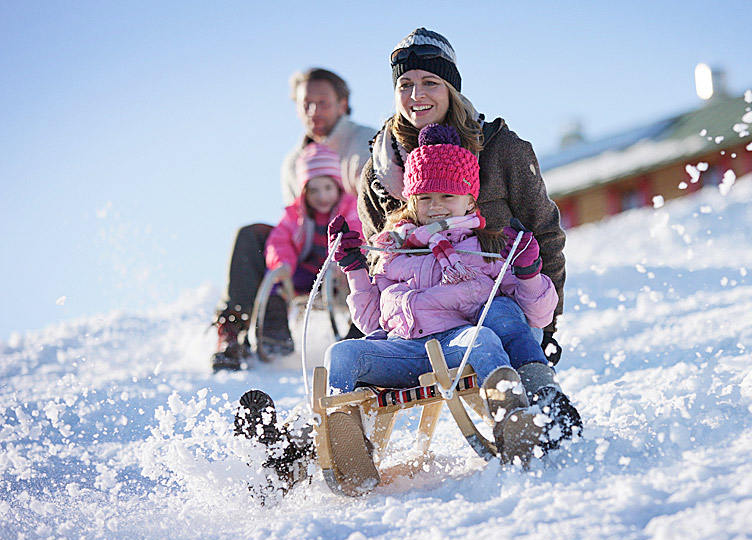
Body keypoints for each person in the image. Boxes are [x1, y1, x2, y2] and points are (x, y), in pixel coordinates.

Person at [235, 125, 577, 497]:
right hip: (401, 349)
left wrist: (529, 273)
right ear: (411, 200)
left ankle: (511, 417)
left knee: (485, 338)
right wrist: (355, 271)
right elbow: (369, 322)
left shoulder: (488, 247)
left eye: (449, 194)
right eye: (425, 196)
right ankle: (345, 440)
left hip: (453, 347)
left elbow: (537, 317)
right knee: (343, 352)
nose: (437, 205)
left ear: (470, 200)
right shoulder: (393, 251)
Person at [357, 28, 575, 427]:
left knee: (504, 315)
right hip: (420, 323)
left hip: (493, 306)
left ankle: (541, 406)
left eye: (429, 83)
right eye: (405, 84)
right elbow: (379, 266)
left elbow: (545, 235)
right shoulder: (379, 172)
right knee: (351, 355)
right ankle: (314, 439)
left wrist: (549, 320)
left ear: (451, 88)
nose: (416, 95)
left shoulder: (502, 150)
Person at [213, 68, 376, 371]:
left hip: (362, 246)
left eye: (323, 102)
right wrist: (282, 264)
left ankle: (364, 338)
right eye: (306, 104)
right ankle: (235, 332)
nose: (314, 111)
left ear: (342, 104)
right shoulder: (293, 162)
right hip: (311, 253)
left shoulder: (365, 142)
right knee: (251, 236)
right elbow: (295, 222)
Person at [257, 143, 362, 355]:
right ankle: (275, 332)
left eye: (327, 188)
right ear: (304, 191)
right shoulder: (295, 214)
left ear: (338, 187)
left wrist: (345, 263)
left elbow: (357, 232)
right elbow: (279, 240)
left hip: (338, 275)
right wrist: (282, 264)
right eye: (314, 190)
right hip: (305, 273)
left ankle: (358, 332)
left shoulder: (350, 208)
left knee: (363, 279)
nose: (321, 196)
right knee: (274, 277)